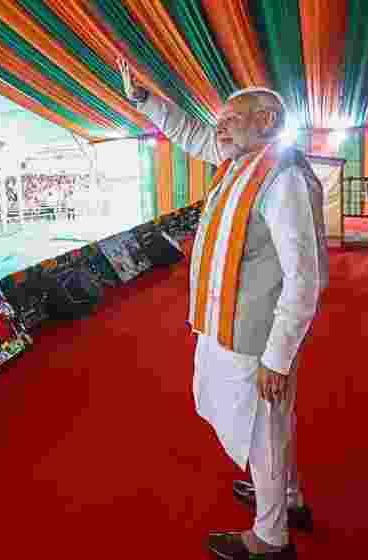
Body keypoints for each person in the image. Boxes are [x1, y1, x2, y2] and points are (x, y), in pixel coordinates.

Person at [127, 60, 327, 558]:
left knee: (261, 429)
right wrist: (147, 102)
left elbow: (305, 275)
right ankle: (287, 496)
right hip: (230, 323)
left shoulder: (282, 178)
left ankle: (270, 537)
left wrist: (278, 356)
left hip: (256, 334)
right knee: (269, 423)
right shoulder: (243, 164)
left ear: (267, 121)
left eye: (231, 120)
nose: (219, 129)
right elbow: (194, 135)